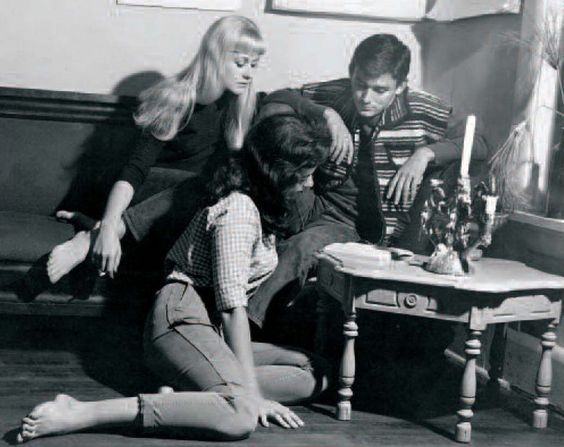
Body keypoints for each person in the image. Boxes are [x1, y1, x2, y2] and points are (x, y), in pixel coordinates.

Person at [17, 114, 331, 443]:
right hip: (181, 319)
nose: (310, 183)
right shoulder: (239, 210)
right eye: (305, 174)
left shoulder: (260, 205)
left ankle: (193, 393)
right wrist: (251, 395)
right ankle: (81, 412)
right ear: (276, 171)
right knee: (241, 415)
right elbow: (231, 310)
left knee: (316, 372)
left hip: (210, 330)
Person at [246, 33, 489, 335]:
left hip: (379, 231)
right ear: (352, 73)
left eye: (380, 90)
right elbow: (277, 97)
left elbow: (478, 143)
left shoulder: (422, 109)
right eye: (360, 84)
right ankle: (243, 329)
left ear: (400, 86)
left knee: (304, 247)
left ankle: (250, 329)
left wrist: (425, 154)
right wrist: (327, 114)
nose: (365, 97)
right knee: (293, 239)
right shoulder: (337, 95)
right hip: (328, 212)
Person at [46, 15, 267, 283]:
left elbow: (285, 102)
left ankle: (100, 225)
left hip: (178, 211)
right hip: (141, 192)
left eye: (254, 64)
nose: (248, 73)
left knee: (219, 190)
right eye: (241, 63)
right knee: (205, 184)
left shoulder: (238, 107)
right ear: (215, 57)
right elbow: (134, 171)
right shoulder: (175, 98)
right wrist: (107, 229)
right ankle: (91, 237)